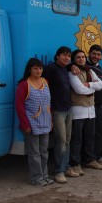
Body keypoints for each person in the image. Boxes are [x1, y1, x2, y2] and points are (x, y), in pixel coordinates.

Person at [15, 58, 53, 187]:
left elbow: (48, 104)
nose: (38, 71)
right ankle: (37, 178)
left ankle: (45, 175)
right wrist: (25, 125)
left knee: (44, 151)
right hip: (31, 124)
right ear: (29, 69)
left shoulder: (45, 82)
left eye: (40, 68)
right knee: (34, 153)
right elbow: (19, 107)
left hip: (45, 122)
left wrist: (51, 120)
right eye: (35, 68)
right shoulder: (24, 85)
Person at [42, 46, 77, 183]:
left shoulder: (65, 68)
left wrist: (72, 65)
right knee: (61, 140)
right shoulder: (50, 68)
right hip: (57, 110)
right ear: (57, 56)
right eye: (64, 55)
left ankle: (66, 167)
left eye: (69, 56)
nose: (67, 58)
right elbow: (43, 85)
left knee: (67, 140)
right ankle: (58, 171)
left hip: (68, 109)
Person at [68, 49, 102, 175]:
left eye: (83, 57)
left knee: (90, 137)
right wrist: (93, 88)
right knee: (77, 139)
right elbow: (79, 90)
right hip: (78, 109)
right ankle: (75, 163)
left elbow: (101, 85)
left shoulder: (89, 70)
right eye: (78, 57)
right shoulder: (72, 72)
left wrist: (89, 85)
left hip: (91, 109)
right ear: (74, 59)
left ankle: (90, 159)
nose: (81, 59)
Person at [86, 44, 102, 163]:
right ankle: (89, 157)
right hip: (88, 105)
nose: (96, 56)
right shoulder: (85, 67)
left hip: (98, 105)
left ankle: (97, 155)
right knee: (89, 133)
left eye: (98, 54)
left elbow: (101, 87)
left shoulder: (100, 69)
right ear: (89, 53)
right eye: (93, 54)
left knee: (99, 131)